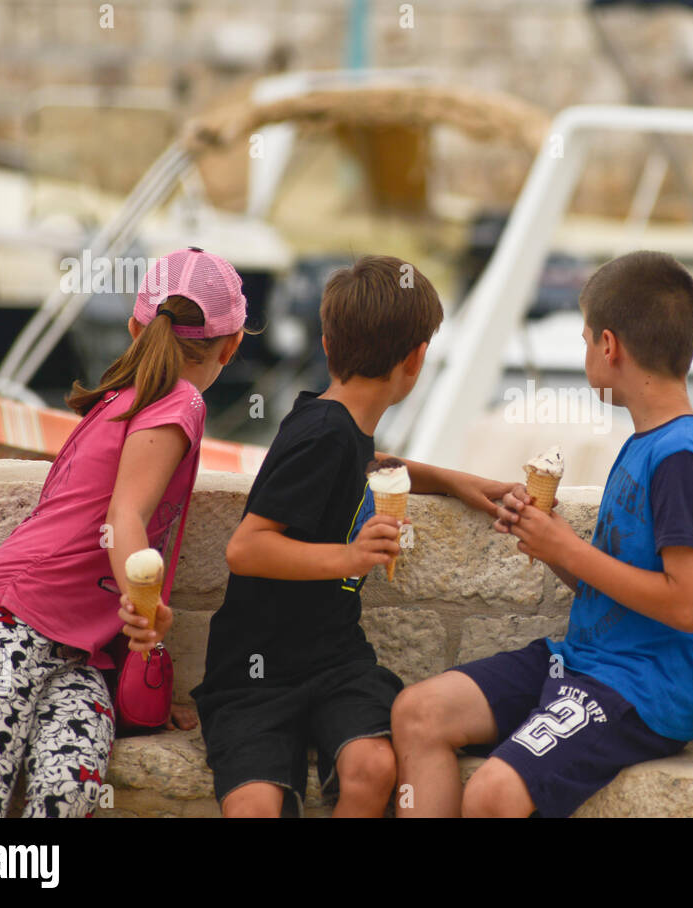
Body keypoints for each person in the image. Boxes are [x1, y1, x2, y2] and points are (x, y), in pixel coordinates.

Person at [391, 250, 693, 817]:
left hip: (638, 691)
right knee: (417, 712)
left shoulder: (681, 458)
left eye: (583, 341)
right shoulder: (644, 443)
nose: (584, 355)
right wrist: (548, 545)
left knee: (492, 794)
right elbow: (614, 586)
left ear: (609, 345)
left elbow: (690, 604)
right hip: (579, 661)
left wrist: (567, 545)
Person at [191, 255, 512, 818]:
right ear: (416, 360)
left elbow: (369, 462)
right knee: (255, 808)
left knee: (374, 766)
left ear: (327, 342)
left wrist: (453, 480)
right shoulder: (324, 434)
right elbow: (246, 548)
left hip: (333, 661)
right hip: (255, 672)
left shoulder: (339, 424)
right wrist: (352, 556)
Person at [0, 246, 249, 817]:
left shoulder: (123, 400)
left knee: (67, 792)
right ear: (233, 344)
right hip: (4, 624)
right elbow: (124, 516)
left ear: (136, 325)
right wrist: (142, 608)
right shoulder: (179, 401)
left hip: (79, 656)